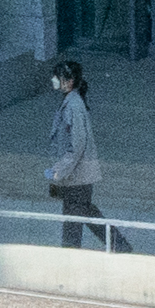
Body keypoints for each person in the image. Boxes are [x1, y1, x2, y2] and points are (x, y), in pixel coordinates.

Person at [40, 52, 114, 250]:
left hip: (76, 175)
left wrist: (59, 171)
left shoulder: (73, 106)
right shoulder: (72, 103)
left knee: (74, 219)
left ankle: (71, 255)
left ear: (68, 81)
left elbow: (77, 146)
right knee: (86, 213)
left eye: (58, 76)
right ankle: (119, 246)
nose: (53, 80)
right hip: (77, 174)